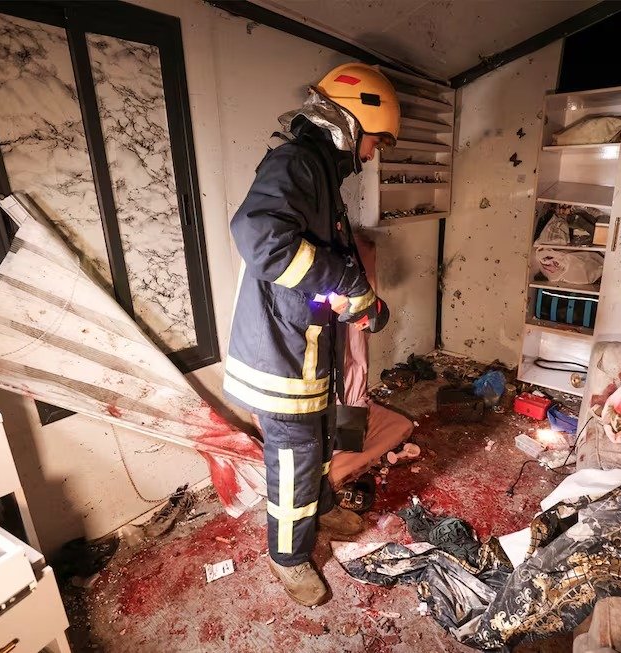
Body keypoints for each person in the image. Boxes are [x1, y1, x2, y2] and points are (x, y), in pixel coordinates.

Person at [224, 63, 399, 606]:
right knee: (295, 457)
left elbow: (323, 261)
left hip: (306, 349)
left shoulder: (321, 176)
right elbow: (259, 236)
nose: (372, 154)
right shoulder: (297, 162)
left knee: (320, 439)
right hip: (280, 355)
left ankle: (320, 511)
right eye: (375, 140)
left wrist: (361, 301)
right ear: (353, 123)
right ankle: (288, 556)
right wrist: (347, 281)